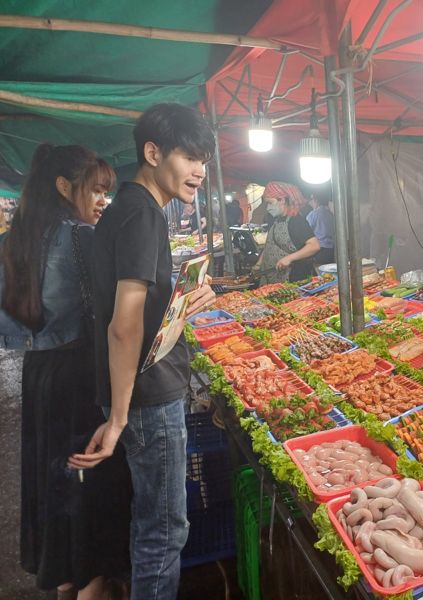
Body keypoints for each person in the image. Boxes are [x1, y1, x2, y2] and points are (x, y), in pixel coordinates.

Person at [68, 103, 217, 600]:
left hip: (141, 394)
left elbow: (138, 312)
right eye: (190, 157)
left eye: (205, 160)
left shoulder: (129, 211)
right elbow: (123, 326)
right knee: (164, 532)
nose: (200, 170)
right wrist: (119, 417)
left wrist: (182, 304)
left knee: (150, 524)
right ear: (153, 152)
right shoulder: (142, 215)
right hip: (150, 399)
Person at [0, 144, 131, 599]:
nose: (101, 201)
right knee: (88, 484)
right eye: (95, 190)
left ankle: (64, 582)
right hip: (79, 376)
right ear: (63, 187)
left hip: (38, 374)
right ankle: (92, 585)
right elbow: (108, 319)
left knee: (55, 480)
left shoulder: (13, 239)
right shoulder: (80, 236)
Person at [254, 181, 320, 283]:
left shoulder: (296, 221)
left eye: (270, 203)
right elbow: (269, 245)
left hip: (291, 279)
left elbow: (314, 246)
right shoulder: (276, 220)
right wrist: (259, 264)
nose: (267, 208)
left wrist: (289, 258)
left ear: (282, 200)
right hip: (270, 278)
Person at [306, 194, 335, 265]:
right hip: (330, 249)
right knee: (328, 273)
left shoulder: (313, 214)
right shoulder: (330, 214)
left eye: (311, 200)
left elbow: (306, 231)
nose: (310, 202)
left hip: (318, 249)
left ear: (316, 201)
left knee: (315, 273)